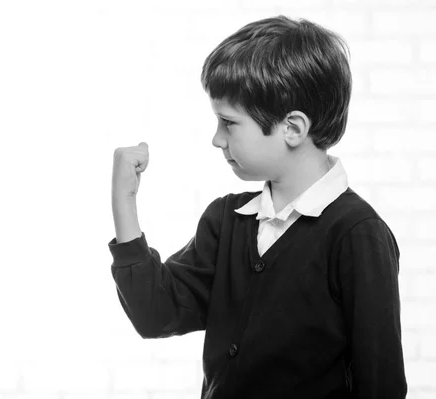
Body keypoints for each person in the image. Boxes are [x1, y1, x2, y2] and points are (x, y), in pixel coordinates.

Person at [108, 15, 407, 399]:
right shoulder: (227, 220)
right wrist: (124, 202)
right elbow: (155, 313)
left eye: (228, 123)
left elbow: (380, 384)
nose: (216, 139)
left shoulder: (357, 234)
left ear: (293, 128)